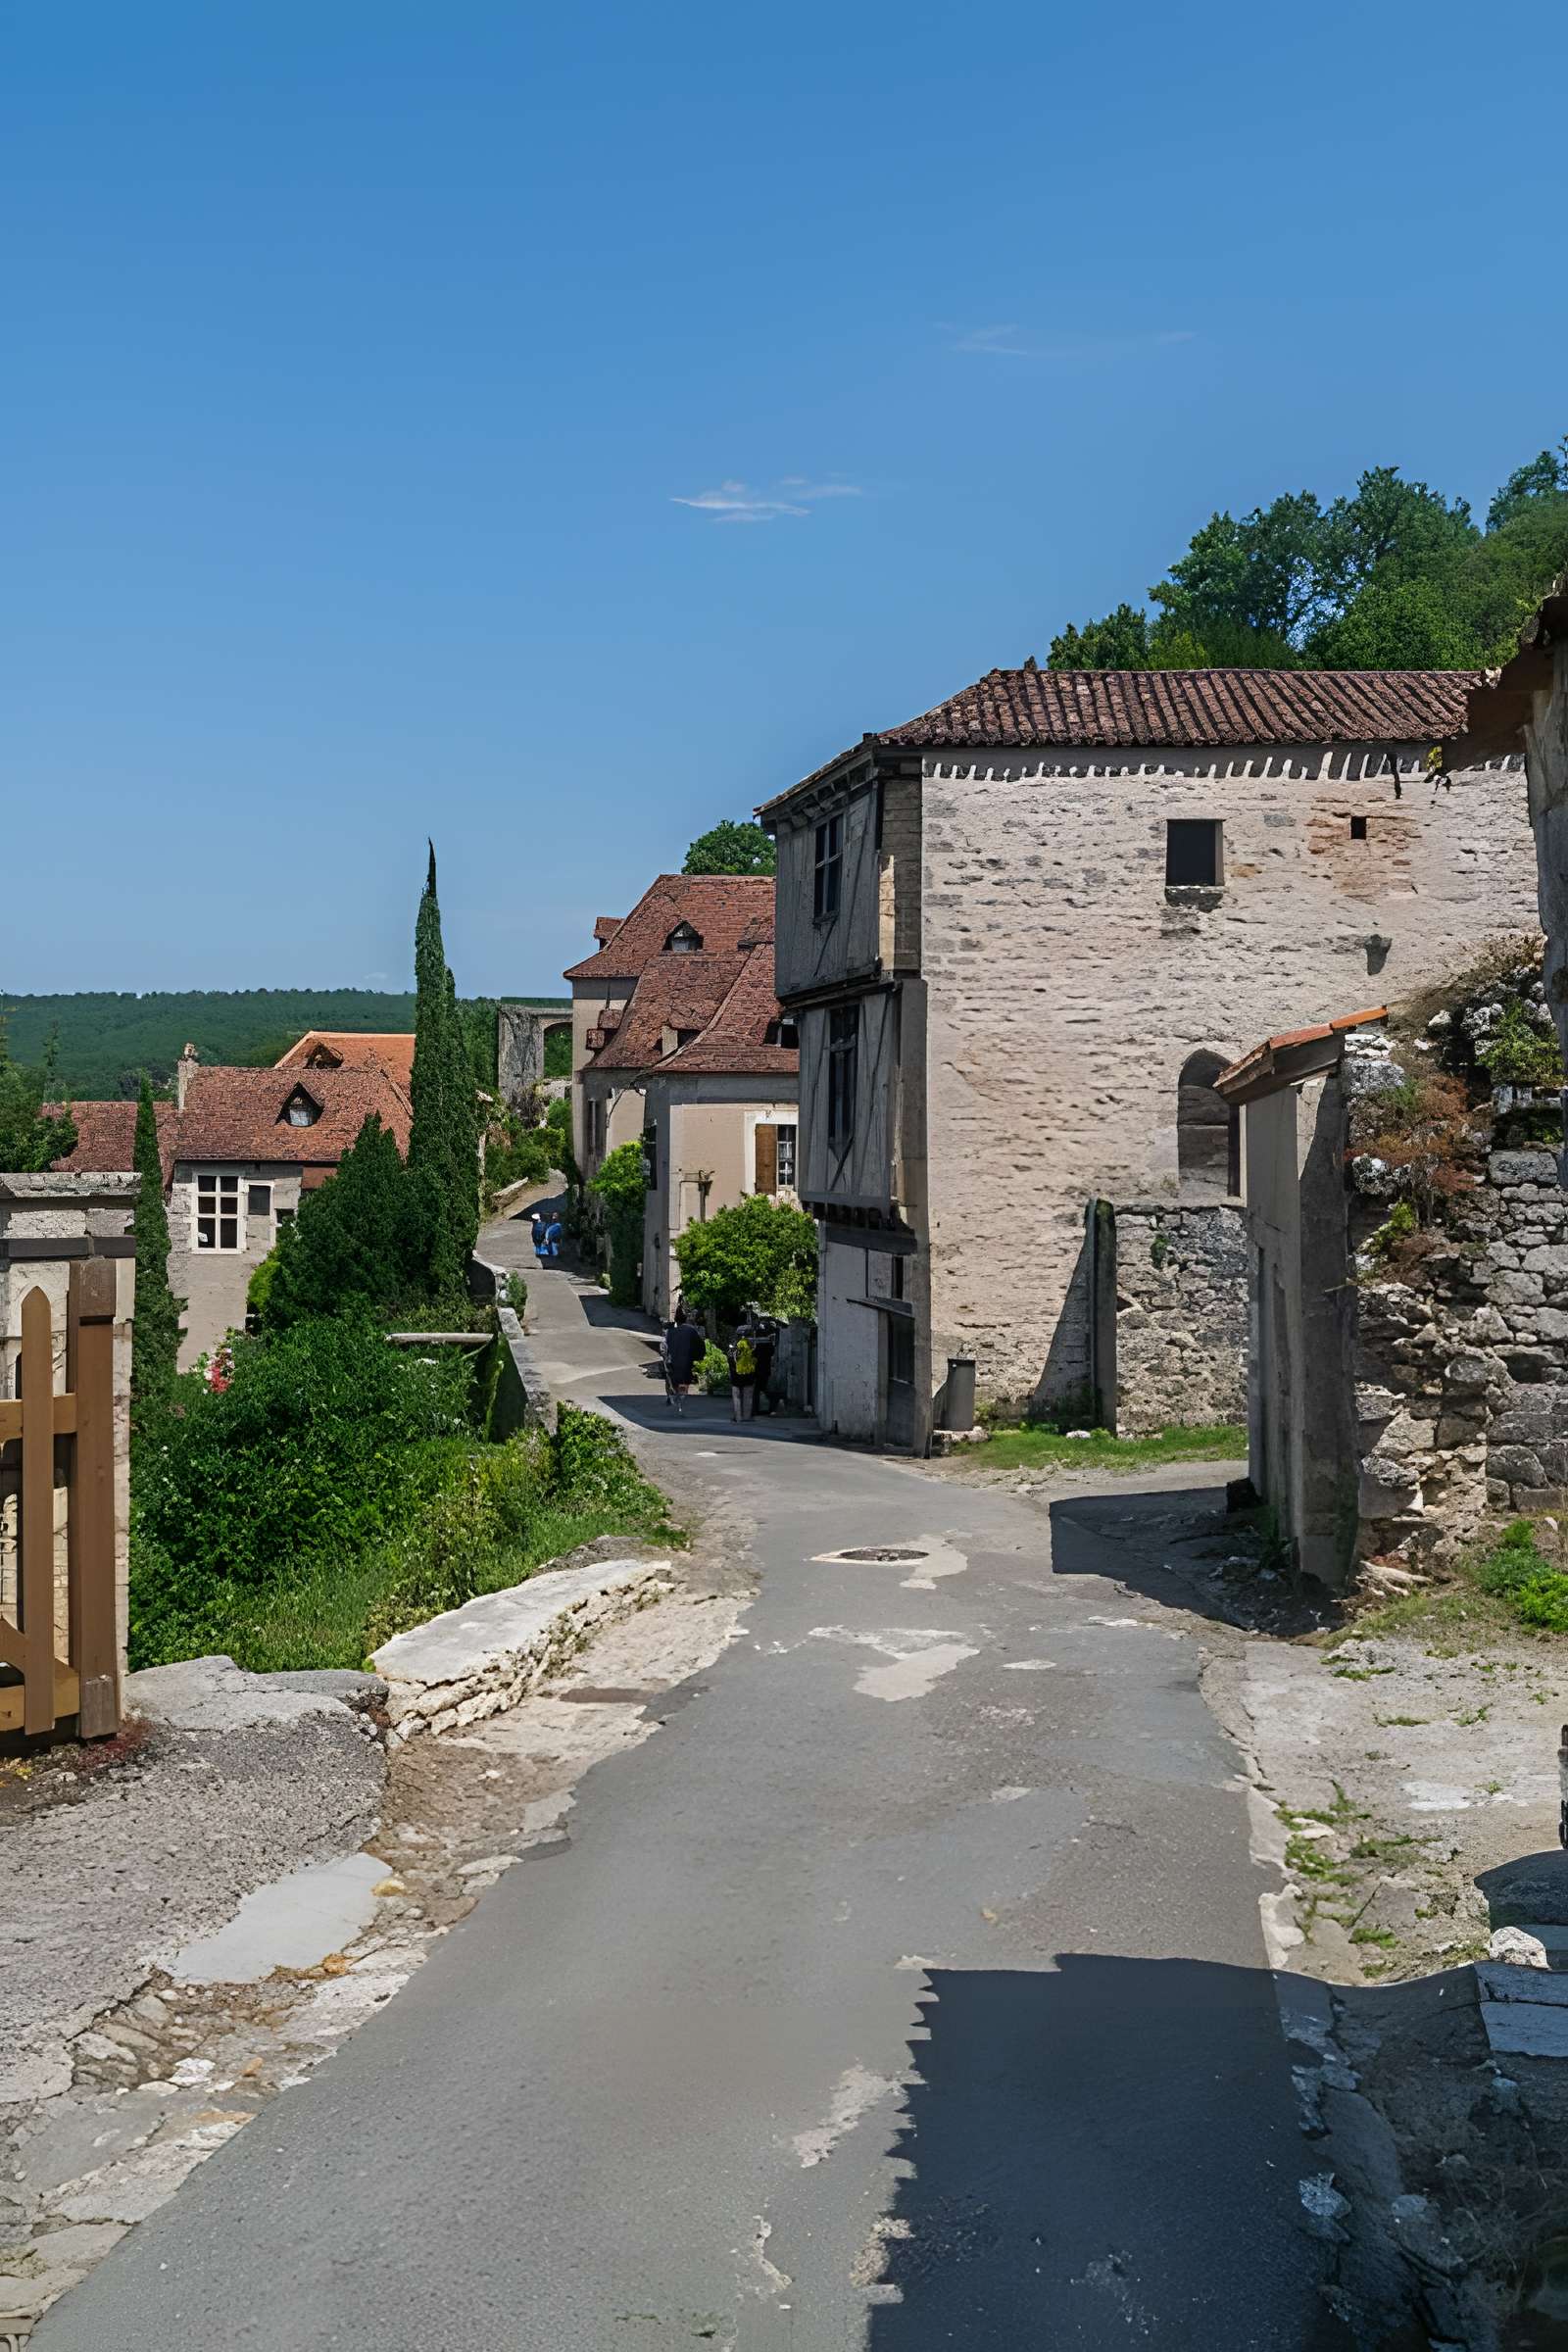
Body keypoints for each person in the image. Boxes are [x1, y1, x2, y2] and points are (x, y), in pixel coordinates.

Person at [662, 1303, 704, 1414]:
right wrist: (698, 1357)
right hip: (686, 1363)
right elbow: (700, 1345)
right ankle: (681, 1404)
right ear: (685, 1319)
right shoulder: (691, 1331)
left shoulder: (670, 1332)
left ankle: (673, 1397)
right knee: (684, 1384)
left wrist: (665, 1359)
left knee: (673, 1381)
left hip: (673, 1363)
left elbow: (664, 1348)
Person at [727, 1313, 758, 1422]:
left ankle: (738, 1417)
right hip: (749, 1375)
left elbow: (730, 1359)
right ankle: (747, 1416)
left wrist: (732, 1371)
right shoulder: (753, 1346)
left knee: (736, 1396)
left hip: (736, 1375)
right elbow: (756, 1360)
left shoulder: (734, 1346)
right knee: (748, 1396)